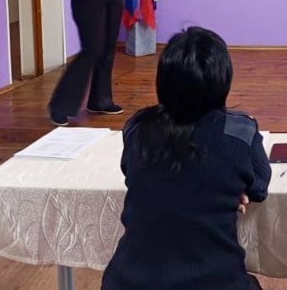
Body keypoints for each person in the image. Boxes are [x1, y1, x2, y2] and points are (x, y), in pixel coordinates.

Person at [101, 27, 271, 290]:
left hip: (128, 282)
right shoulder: (239, 131)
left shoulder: (138, 127)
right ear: (223, 82)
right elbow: (259, 185)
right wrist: (234, 187)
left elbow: (129, 170)